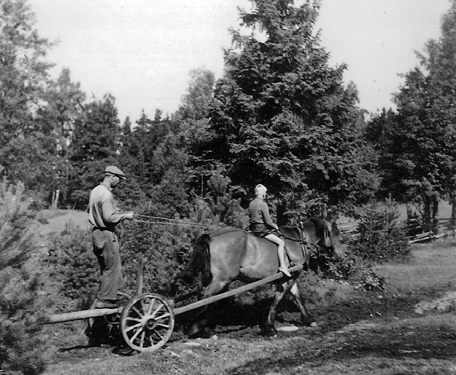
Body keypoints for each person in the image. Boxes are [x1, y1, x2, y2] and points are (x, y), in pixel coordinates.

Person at [88, 165, 134, 308]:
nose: (119, 182)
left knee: (105, 267)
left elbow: (95, 210)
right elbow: (108, 218)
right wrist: (125, 216)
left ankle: (105, 296)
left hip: (96, 234)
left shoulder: (95, 191)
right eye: (118, 179)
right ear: (112, 177)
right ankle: (106, 300)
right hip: (106, 234)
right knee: (113, 267)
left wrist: (115, 211)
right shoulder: (107, 194)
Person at [248, 184, 291, 277]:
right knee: (281, 243)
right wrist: (275, 226)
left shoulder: (251, 203)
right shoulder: (263, 204)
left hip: (253, 229)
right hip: (261, 230)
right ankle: (283, 266)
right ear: (263, 194)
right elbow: (268, 221)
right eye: (265, 193)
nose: (265, 195)